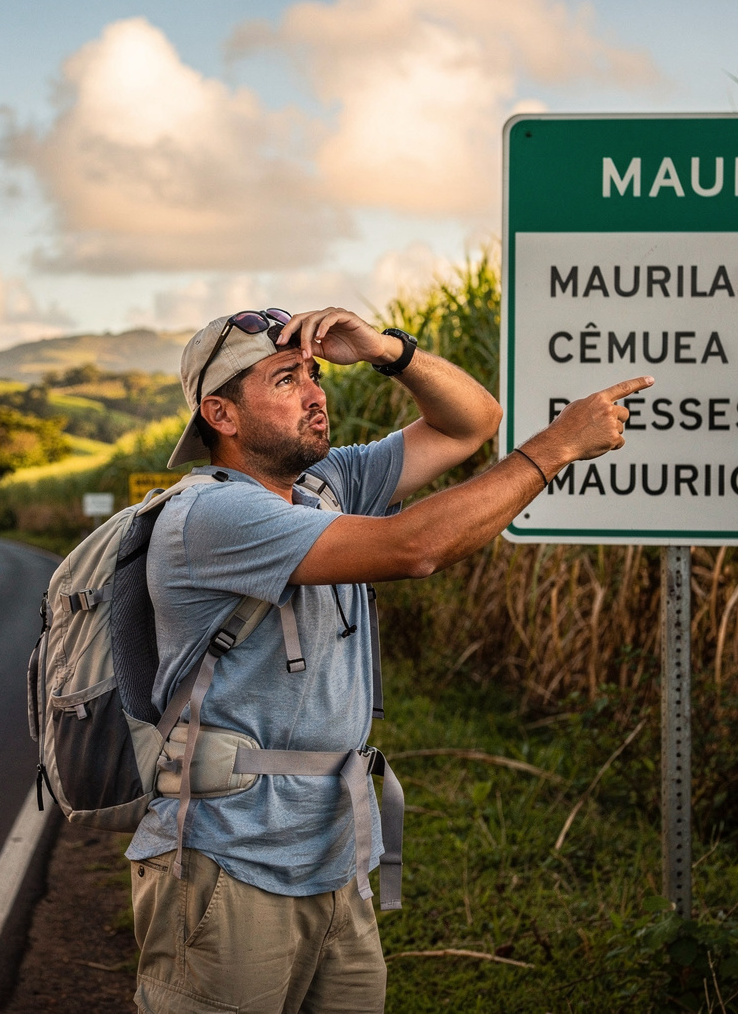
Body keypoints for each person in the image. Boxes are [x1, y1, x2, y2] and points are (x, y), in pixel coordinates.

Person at [127, 306, 647, 1013]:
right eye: (287, 380)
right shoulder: (214, 517)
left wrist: (386, 351)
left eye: (314, 375)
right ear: (221, 413)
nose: (317, 394)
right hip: (229, 865)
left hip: (336, 858)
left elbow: (471, 423)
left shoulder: (323, 487)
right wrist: (554, 447)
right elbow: (414, 548)